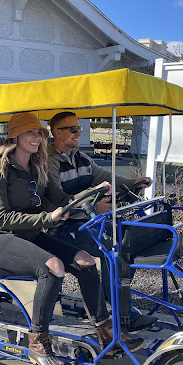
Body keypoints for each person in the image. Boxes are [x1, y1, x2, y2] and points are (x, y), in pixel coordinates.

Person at [0, 112, 144, 365]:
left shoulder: (37, 167)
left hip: (31, 235)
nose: (37, 138)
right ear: (16, 136)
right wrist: (48, 217)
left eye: (40, 133)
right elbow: (2, 217)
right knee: (53, 266)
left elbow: (59, 197)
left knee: (86, 261)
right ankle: (38, 341)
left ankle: (105, 333)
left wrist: (91, 195)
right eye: (31, 133)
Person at [46, 111, 155, 331]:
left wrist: (133, 182)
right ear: (57, 132)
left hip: (86, 221)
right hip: (61, 228)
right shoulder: (49, 162)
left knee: (127, 240)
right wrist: (93, 206)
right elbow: (58, 201)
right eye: (73, 129)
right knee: (111, 248)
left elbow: (102, 175)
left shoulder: (80, 156)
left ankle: (113, 297)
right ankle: (121, 312)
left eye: (80, 129)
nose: (79, 133)